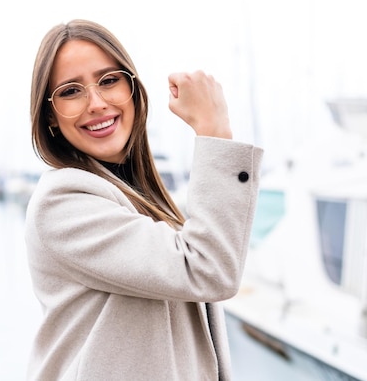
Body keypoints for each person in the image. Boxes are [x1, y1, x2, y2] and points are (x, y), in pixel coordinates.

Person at [25, 19, 263, 381]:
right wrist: (214, 131)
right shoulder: (62, 203)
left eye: (108, 80)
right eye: (71, 91)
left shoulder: (135, 192)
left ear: (133, 89)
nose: (97, 103)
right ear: (50, 117)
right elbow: (207, 270)